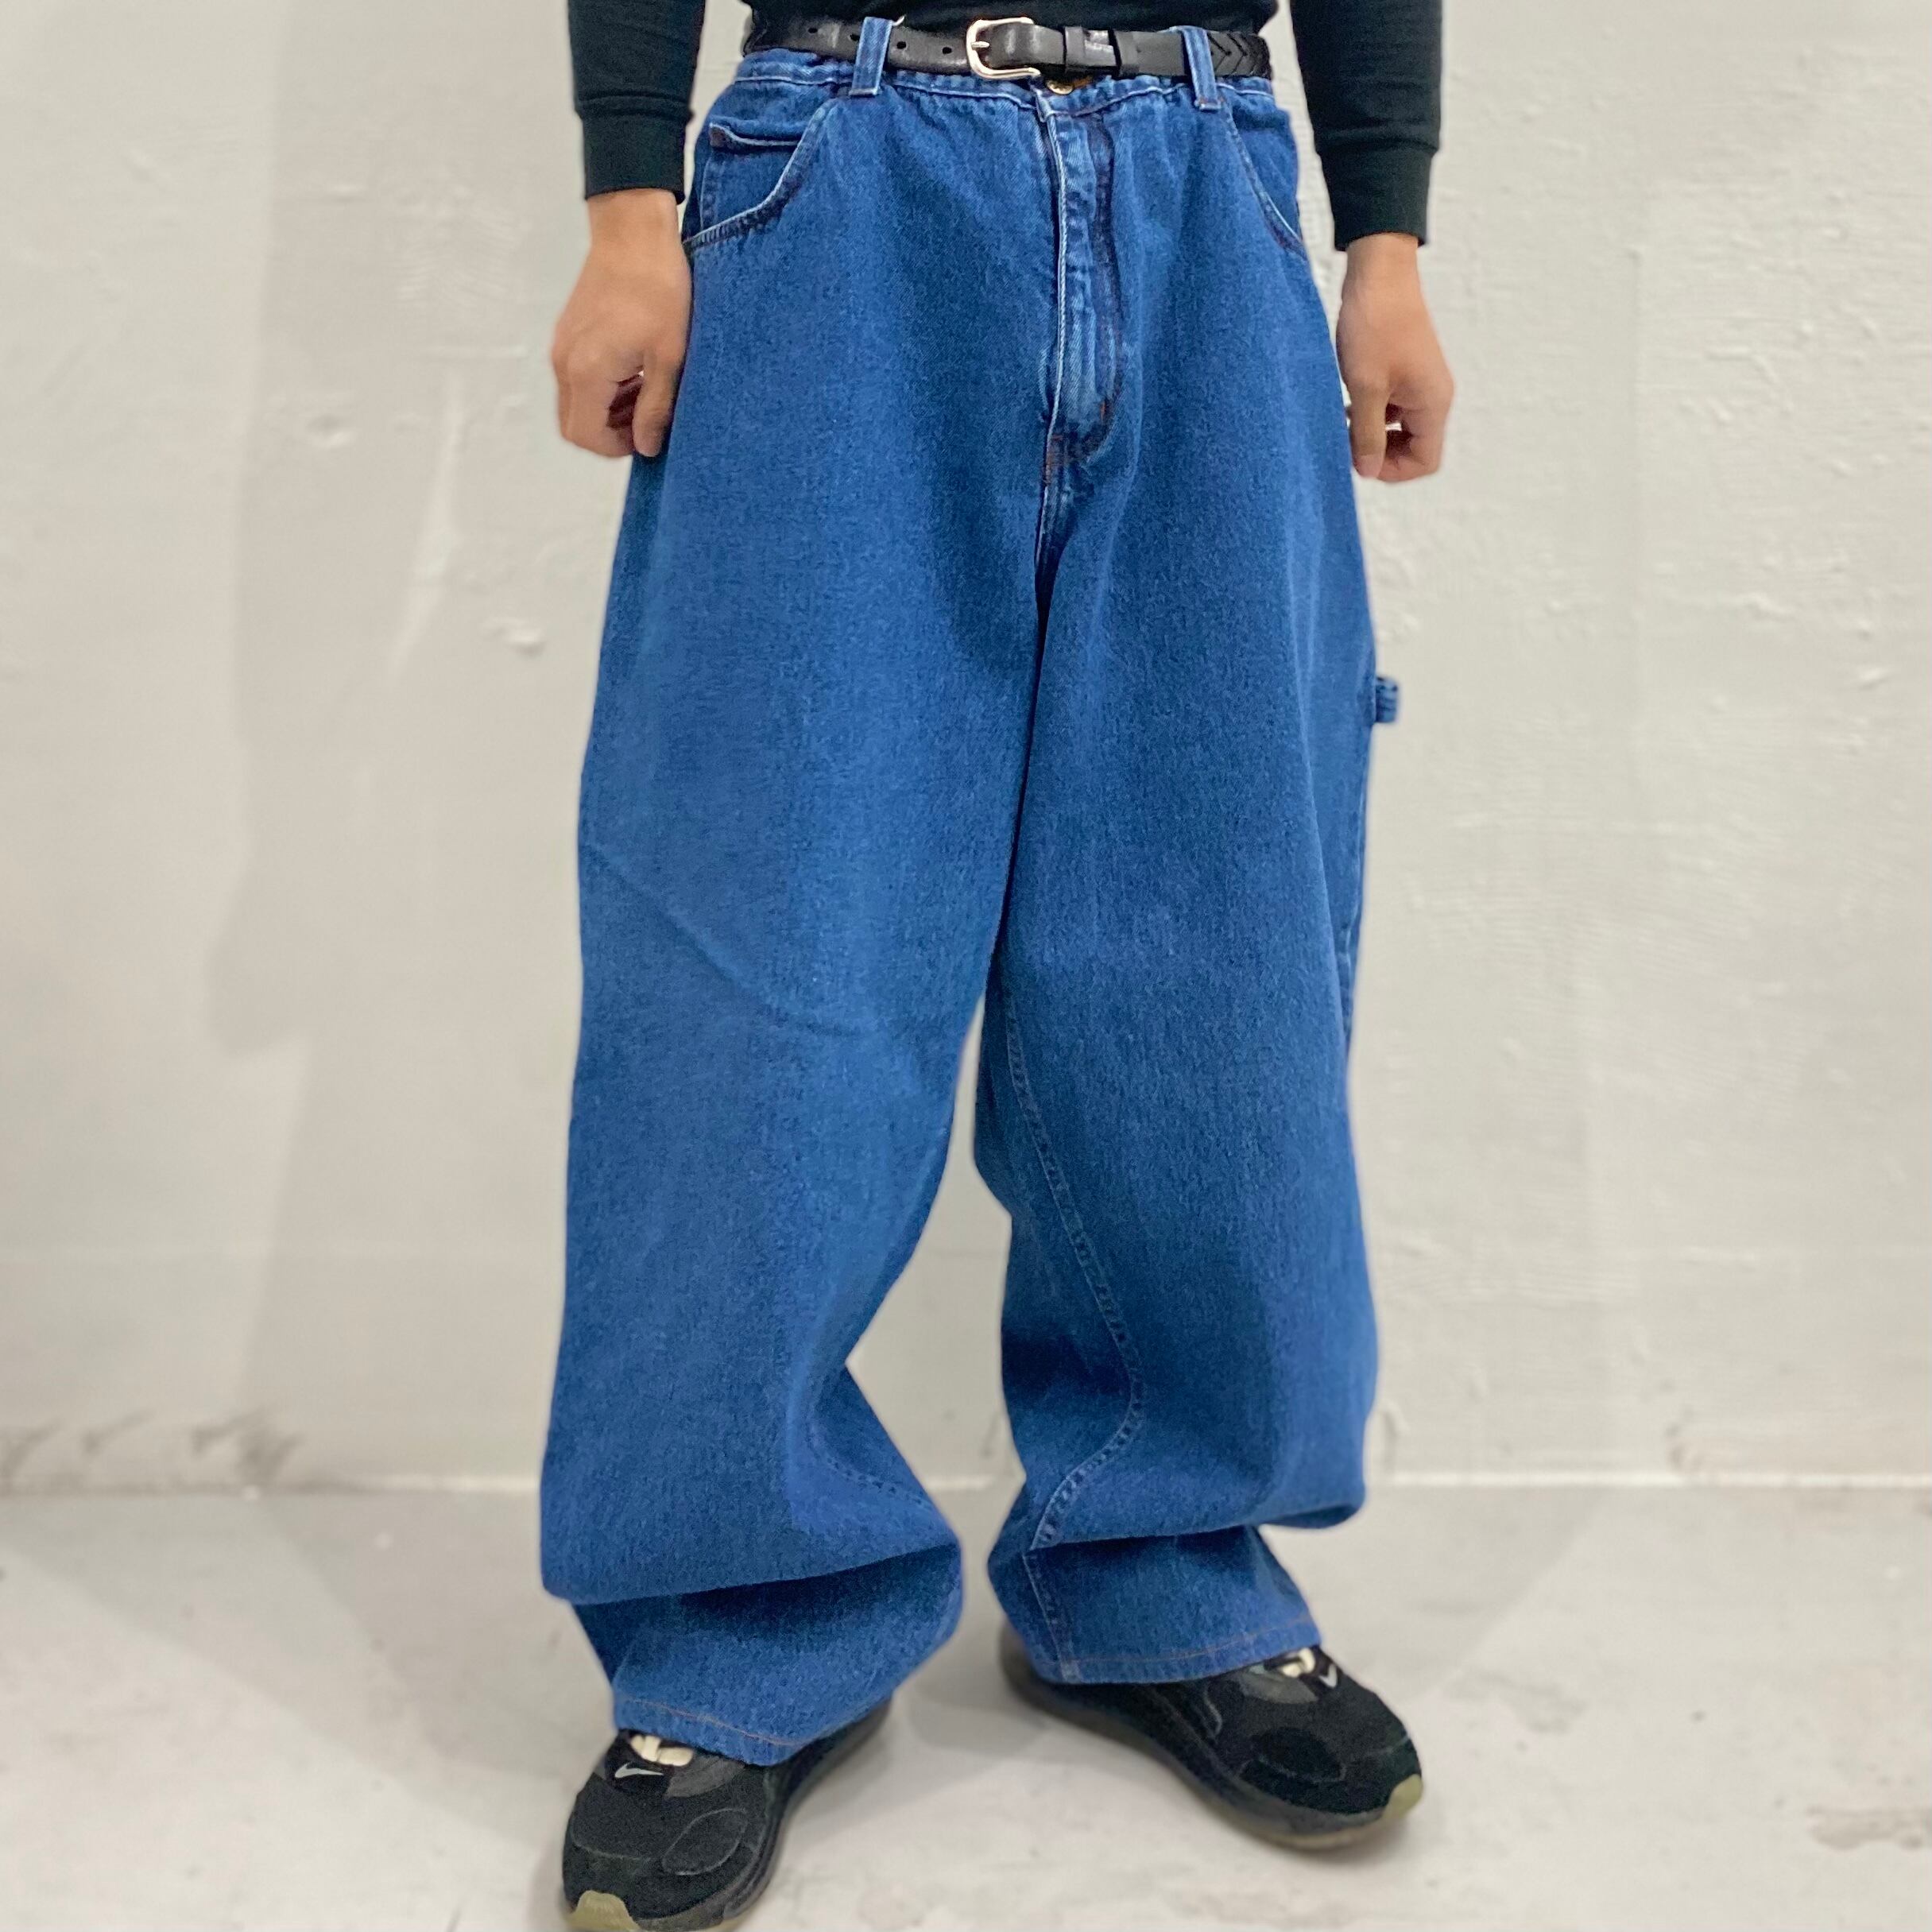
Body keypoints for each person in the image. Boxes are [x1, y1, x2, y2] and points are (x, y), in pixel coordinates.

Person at [540, 0, 1452, 1918]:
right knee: (777, 942)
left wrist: (1386, 237)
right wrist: (627, 202)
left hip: (1210, 176)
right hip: (837, 171)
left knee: (1208, 951)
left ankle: (1166, 1566)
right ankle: (739, 1620)